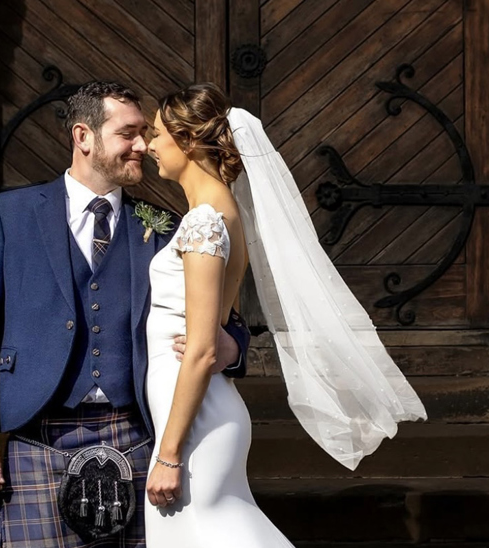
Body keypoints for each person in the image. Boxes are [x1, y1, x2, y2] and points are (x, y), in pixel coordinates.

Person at [0, 81, 250, 548]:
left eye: (146, 134)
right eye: (128, 133)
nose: (143, 146)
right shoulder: (13, 213)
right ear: (83, 136)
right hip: (38, 434)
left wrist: (233, 347)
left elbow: (214, 313)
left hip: (135, 435)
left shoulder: (164, 224)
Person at [144, 83, 427, 547]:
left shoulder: (203, 222)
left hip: (195, 420)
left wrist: (170, 453)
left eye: (157, 134)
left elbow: (199, 349)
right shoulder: (221, 213)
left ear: (189, 140)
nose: (150, 146)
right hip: (197, 413)